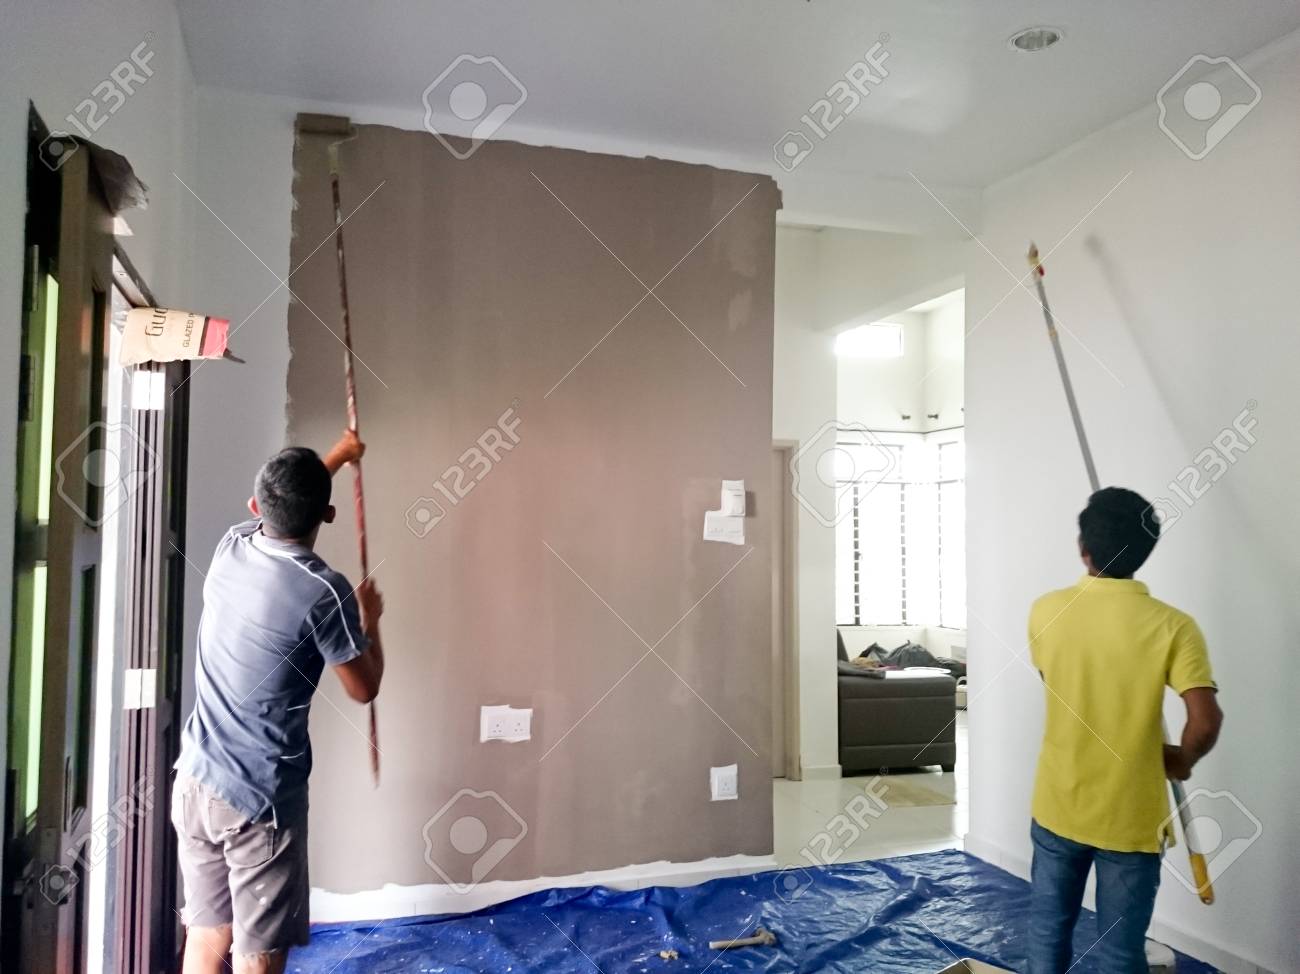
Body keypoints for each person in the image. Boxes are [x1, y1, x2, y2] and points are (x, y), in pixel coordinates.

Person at [171, 431, 385, 974]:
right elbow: (364, 688)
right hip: (257, 803)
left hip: (195, 780)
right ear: (328, 516)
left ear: (255, 507)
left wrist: (338, 455)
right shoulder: (325, 592)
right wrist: (371, 621)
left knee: (207, 936)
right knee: (257, 958)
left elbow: (289, 499)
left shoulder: (232, 546)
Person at [1026, 487, 1222, 974]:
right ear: (1146, 551)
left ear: (1083, 548)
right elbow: (1205, 721)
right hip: (1131, 818)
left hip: (1059, 803)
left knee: (1047, 933)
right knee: (1119, 953)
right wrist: (1182, 760)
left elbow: (1056, 682)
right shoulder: (1174, 626)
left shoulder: (1046, 611)